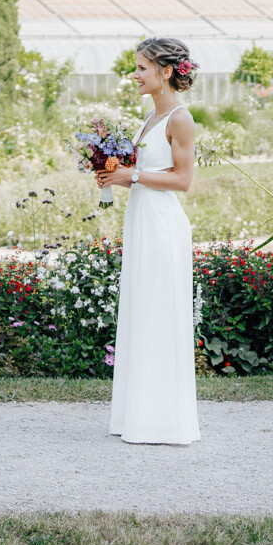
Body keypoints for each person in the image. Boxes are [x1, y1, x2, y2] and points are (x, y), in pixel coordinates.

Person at [95, 37, 200, 445]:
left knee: (159, 312)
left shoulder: (180, 118)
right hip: (140, 220)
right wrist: (114, 170)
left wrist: (130, 176)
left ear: (167, 72)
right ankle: (137, 416)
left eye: (142, 68)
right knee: (141, 311)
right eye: (136, 67)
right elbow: (145, 171)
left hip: (161, 226)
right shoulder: (149, 118)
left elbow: (183, 180)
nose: (135, 74)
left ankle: (163, 422)